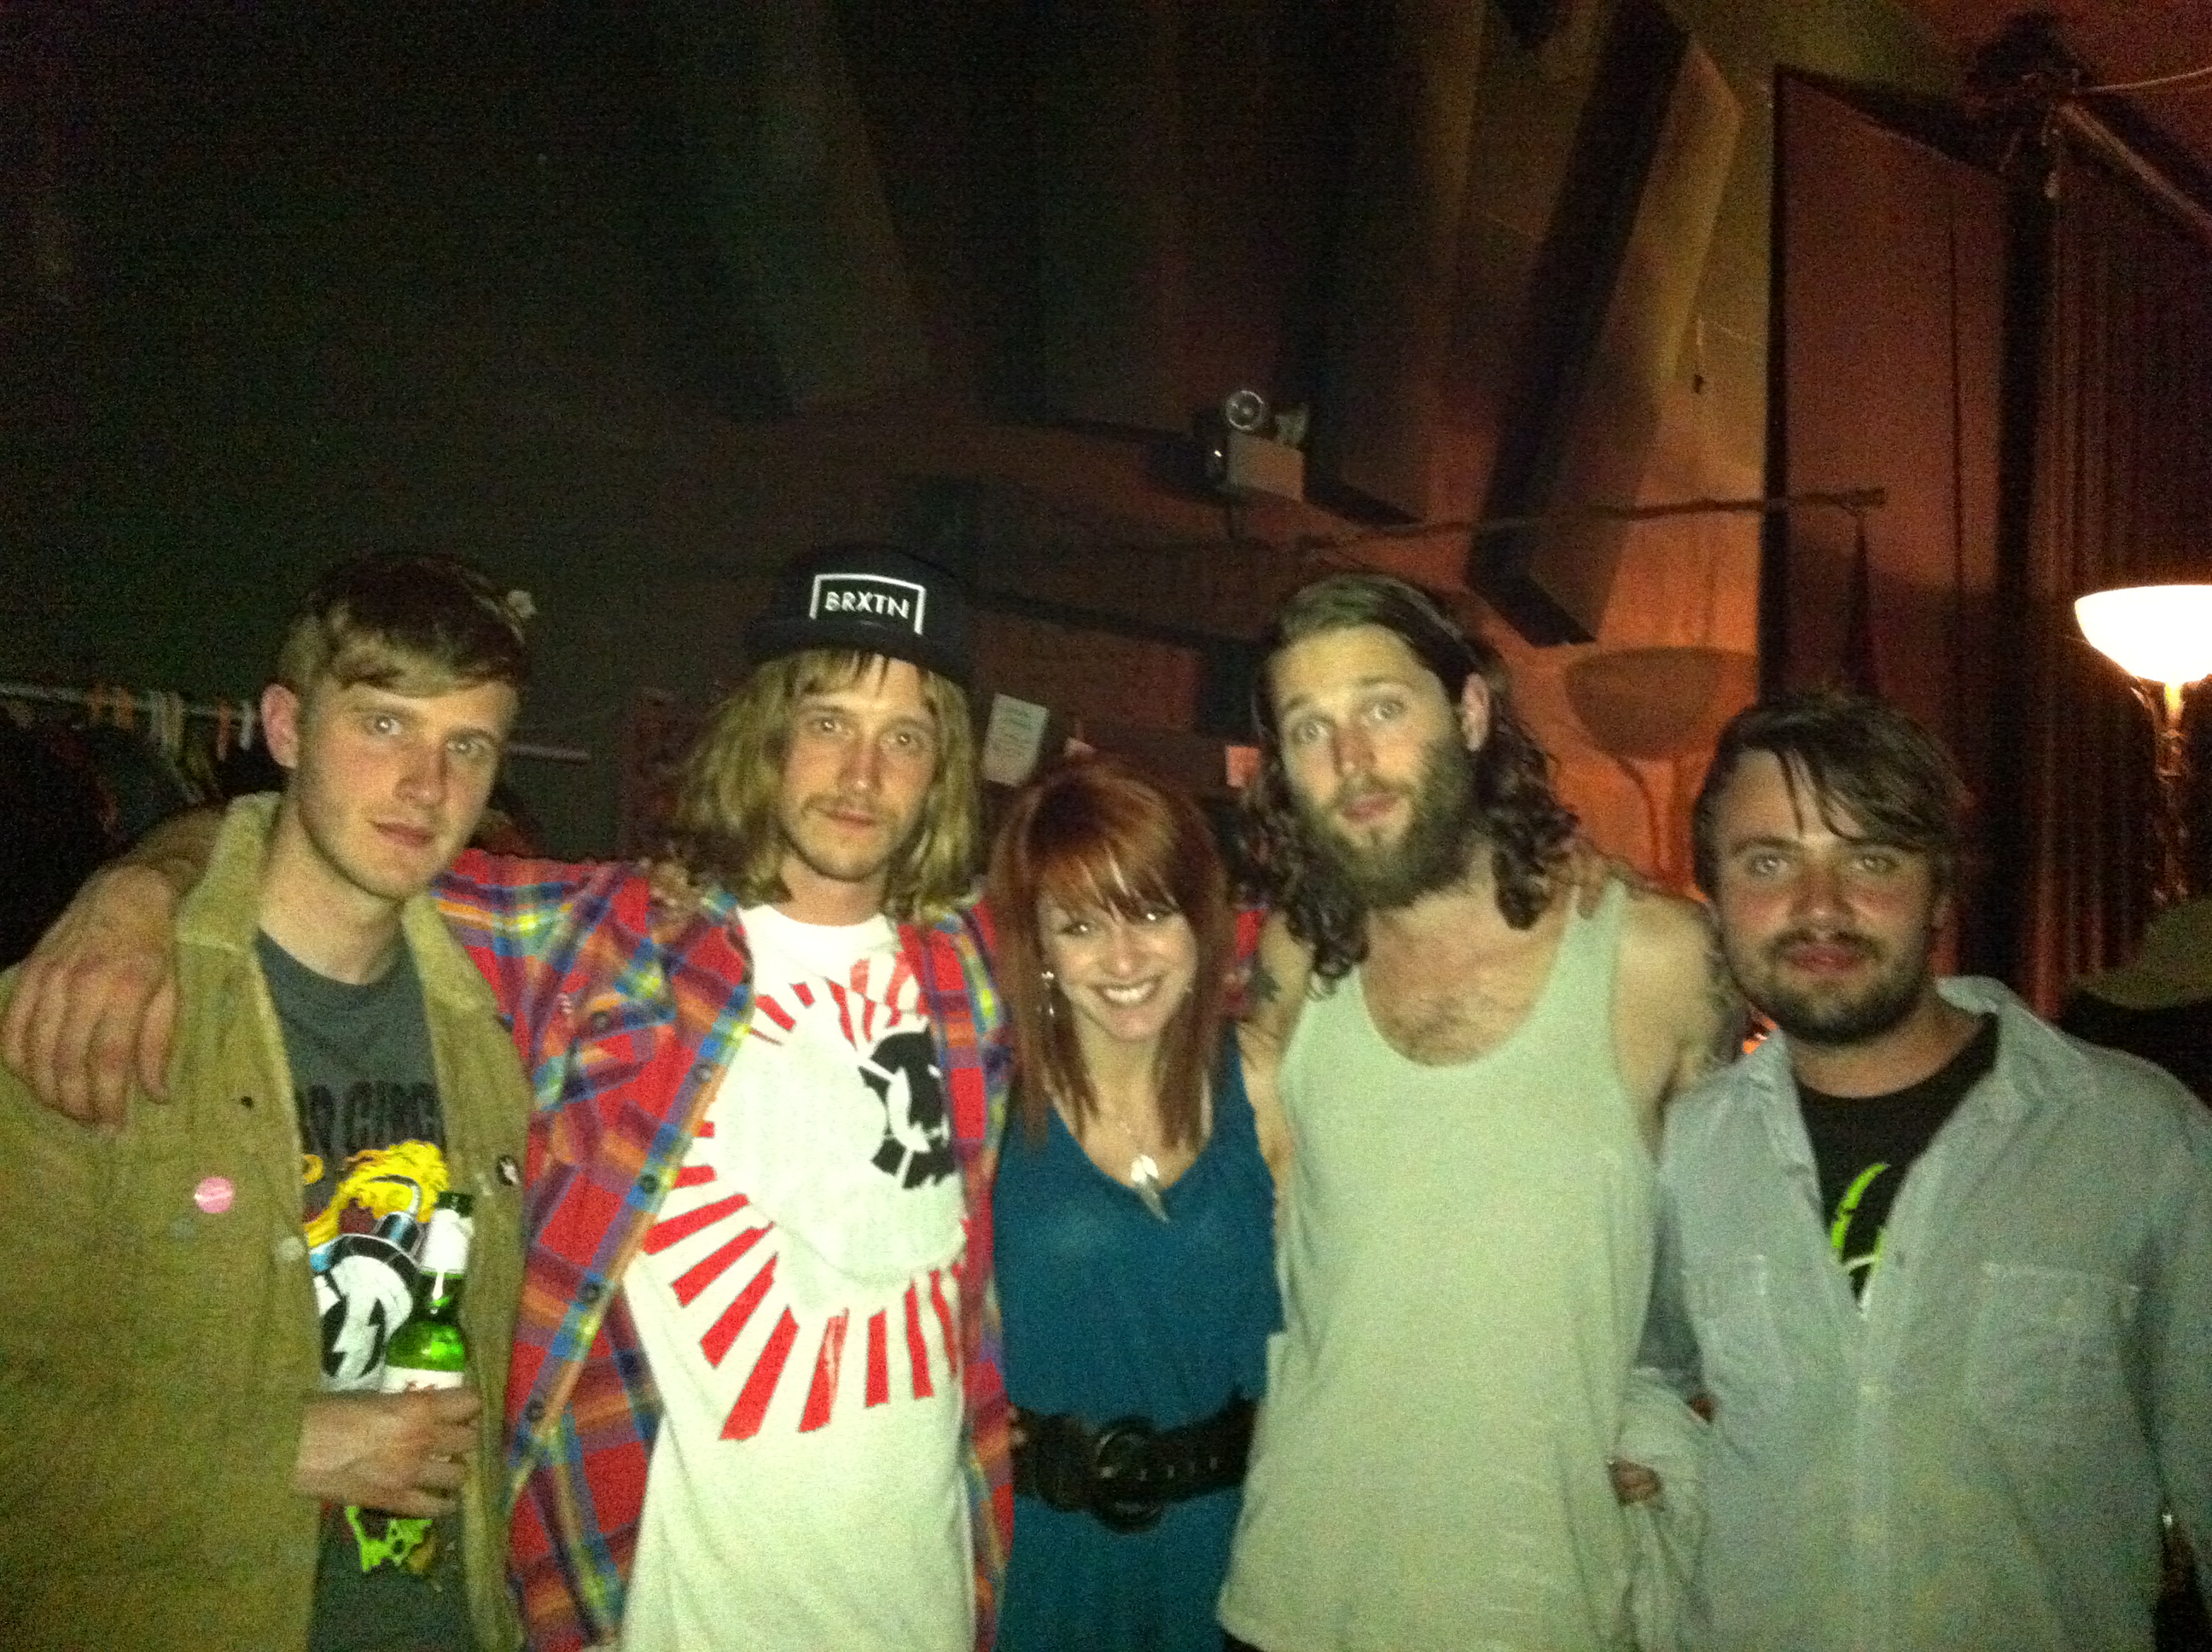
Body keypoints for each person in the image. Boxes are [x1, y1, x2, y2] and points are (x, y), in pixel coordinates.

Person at [1, 545, 1014, 1652]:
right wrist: (141, 887)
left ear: (943, 769)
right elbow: (320, 848)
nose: (862, 774)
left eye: (905, 737)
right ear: (766, 732)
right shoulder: (602, 946)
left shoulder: (973, 977)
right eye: (827, 722)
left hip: (930, 1606)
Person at [0, 554, 536, 1651]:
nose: (427, 786)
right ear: (286, 727)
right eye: (384, 726)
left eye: (467, 746)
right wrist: (285, 1450)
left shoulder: (503, 1013)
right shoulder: (88, 1013)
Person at [1217, 572, 1729, 1651]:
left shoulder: (1654, 958)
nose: (1351, 759)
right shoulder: (1297, 961)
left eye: (1382, 708)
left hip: (1544, 1604)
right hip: (1298, 1595)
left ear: (1472, 710)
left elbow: (1736, 1267)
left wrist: (1661, 1410)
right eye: (1310, 729)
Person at [1639, 688, 2212, 1650]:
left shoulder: (2139, 1141)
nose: (1819, 906)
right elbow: (1639, 1372)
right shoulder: (1681, 1154)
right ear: (1717, 898)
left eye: (1870, 859)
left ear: (1941, 893)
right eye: (1769, 861)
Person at [986, 754, 1284, 1652]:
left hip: (1237, 1549)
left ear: (1201, 918)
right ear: (1040, 948)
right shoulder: (989, 1099)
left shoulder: (1264, 1083)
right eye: (1079, 925)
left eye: (1152, 912)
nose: (1122, 959)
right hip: (1046, 1556)